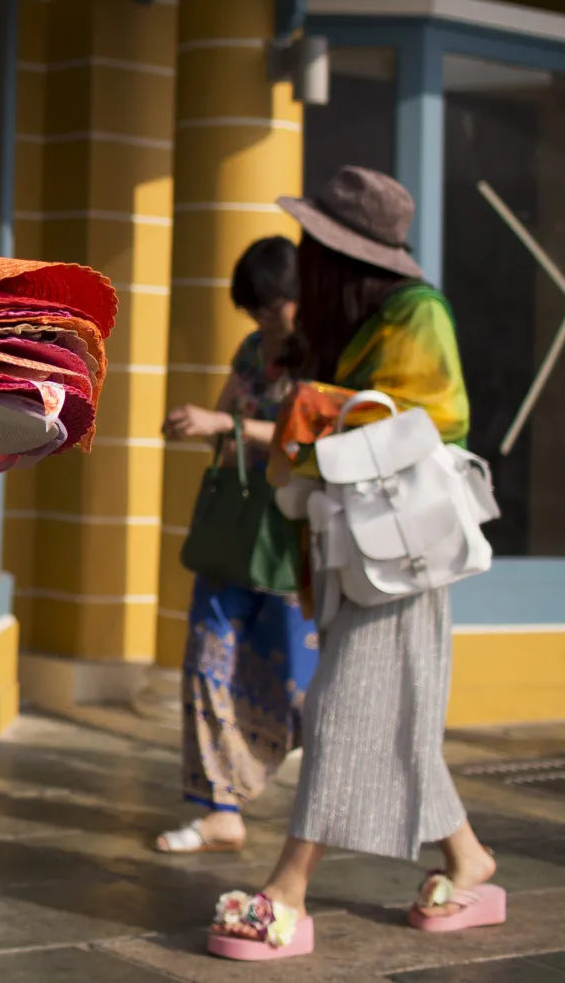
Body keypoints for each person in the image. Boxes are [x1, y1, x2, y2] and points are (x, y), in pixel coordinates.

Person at [207, 166, 501, 960]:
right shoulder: (354, 321)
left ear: (346, 257)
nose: (305, 262)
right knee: (393, 723)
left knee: (339, 708)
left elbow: (434, 422)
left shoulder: (417, 313)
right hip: (360, 550)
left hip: (402, 554)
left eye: (317, 248)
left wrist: (316, 406)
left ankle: (288, 889)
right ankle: (468, 858)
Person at [157, 237, 318, 855]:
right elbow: (225, 418)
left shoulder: (322, 355)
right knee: (206, 662)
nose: (263, 318)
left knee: (297, 686)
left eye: (271, 304)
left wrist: (225, 425)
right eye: (254, 307)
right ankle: (219, 808)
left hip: (289, 539)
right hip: (235, 536)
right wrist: (201, 424)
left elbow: (305, 439)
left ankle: (332, 801)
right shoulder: (252, 351)